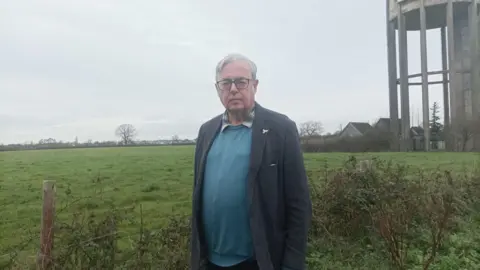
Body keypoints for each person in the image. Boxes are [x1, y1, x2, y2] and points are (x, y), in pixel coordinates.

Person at [190, 53, 312, 270]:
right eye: (226, 83)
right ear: (218, 89)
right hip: (209, 261)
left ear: (254, 85)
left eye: (241, 81)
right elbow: (197, 196)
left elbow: (298, 204)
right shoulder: (206, 131)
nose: (233, 89)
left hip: (258, 261)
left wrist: (292, 264)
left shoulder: (281, 129)